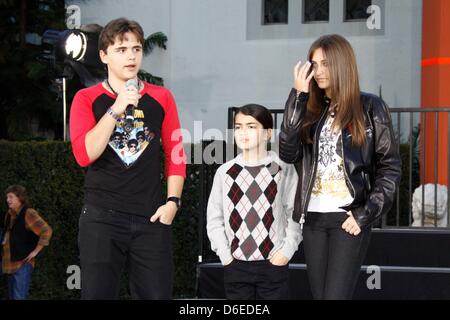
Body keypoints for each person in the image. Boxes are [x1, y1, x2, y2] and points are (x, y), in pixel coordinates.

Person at [69, 17, 186, 300]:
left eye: (136, 48)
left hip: (151, 219)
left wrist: (173, 203)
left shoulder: (162, 97)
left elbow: (176, 153)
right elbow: (84, 155)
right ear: (104, 55)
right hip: (101, 218)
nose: (131, 56)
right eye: (122, 49)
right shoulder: (86, 99)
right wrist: (116, 108)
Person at [279, 34, 401, 300]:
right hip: (312, 218)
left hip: (347, 218)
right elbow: (288, 153)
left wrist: (364, 214)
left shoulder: (370, 107)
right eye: (314, 64)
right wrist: (297, 96)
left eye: (325, 64)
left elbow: (389, 168)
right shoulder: (310, 109)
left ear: (342, 64)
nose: (318, 71)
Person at [207, 104, 302, 300]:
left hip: (273, 264)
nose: (243, 132)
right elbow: (214, 219)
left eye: (251, 126)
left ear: (267, 133)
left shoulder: (280, 168)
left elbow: (294, 211)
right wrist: (225, 255)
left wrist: (287, 250)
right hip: (236, 266)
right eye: (238, 126)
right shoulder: (225, 172)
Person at [1, 185, 53, 300]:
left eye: (11, 197)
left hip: (22, 264)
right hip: (9, 264)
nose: (7, 200)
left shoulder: (28, 213)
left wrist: (36, 251)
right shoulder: (9, 215)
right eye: (7, 197)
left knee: (19, 297)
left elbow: (46, 230)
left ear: (20, 198)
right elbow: (9, 232)